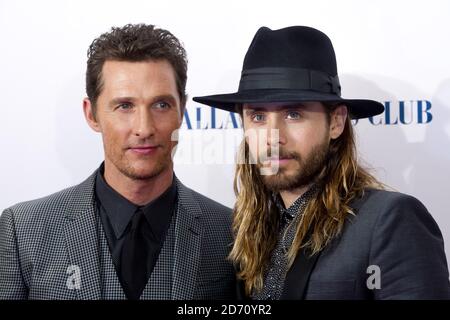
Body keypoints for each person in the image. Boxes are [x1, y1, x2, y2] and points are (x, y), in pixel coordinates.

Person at [193, 26, 450, 299]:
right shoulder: (244, 232)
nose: (272, 137)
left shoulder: (390, 220)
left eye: (293, 114)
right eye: (257, 117)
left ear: (336, 122)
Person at [0, 24, 235, 300]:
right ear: (92, 114)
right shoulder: (23, 230)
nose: (144, 128)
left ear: (181, 111)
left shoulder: (230, 231)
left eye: (161, 105)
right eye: (125, 106)